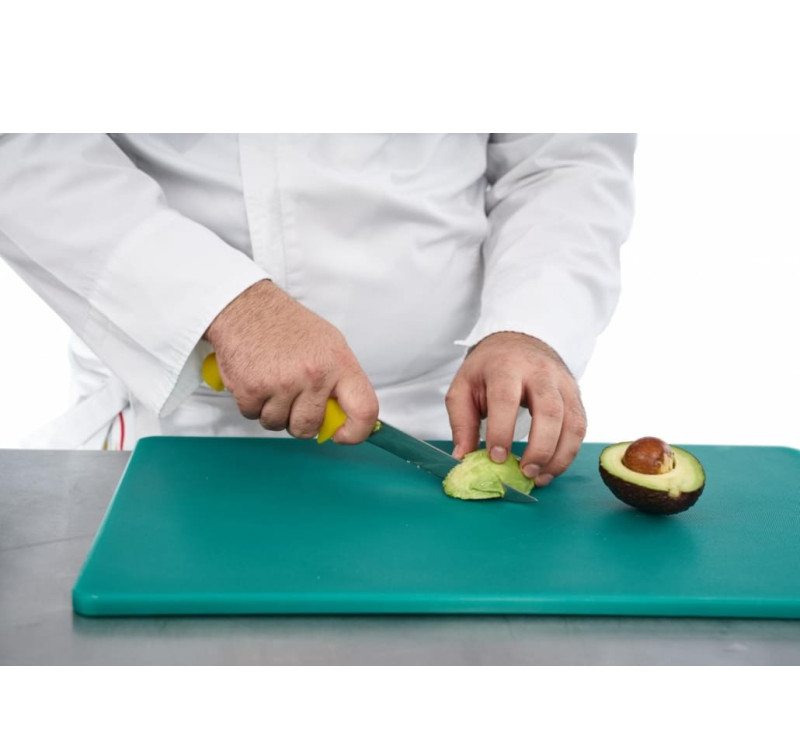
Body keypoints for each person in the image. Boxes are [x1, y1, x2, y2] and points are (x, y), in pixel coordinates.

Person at [0, 134, 635, 487]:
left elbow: (565, 157)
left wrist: (530, 325)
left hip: (454, 408)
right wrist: (224, 304)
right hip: (182, 416)